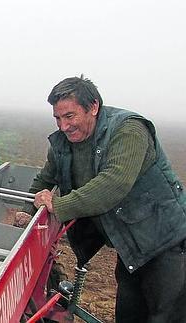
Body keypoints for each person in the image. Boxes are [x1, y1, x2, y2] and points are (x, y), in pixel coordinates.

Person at [28, 75, 186, 323]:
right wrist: (26, 211)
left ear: (93, 107)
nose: (63, 126)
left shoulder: (129, 129)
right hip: (129, 246)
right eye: (57, 118)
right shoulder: (62, 143)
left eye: (70, 116)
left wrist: (58, 206)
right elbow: (45, 179)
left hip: (164, 240)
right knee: (129, 314)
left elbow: (114, 184)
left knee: (167, 315)